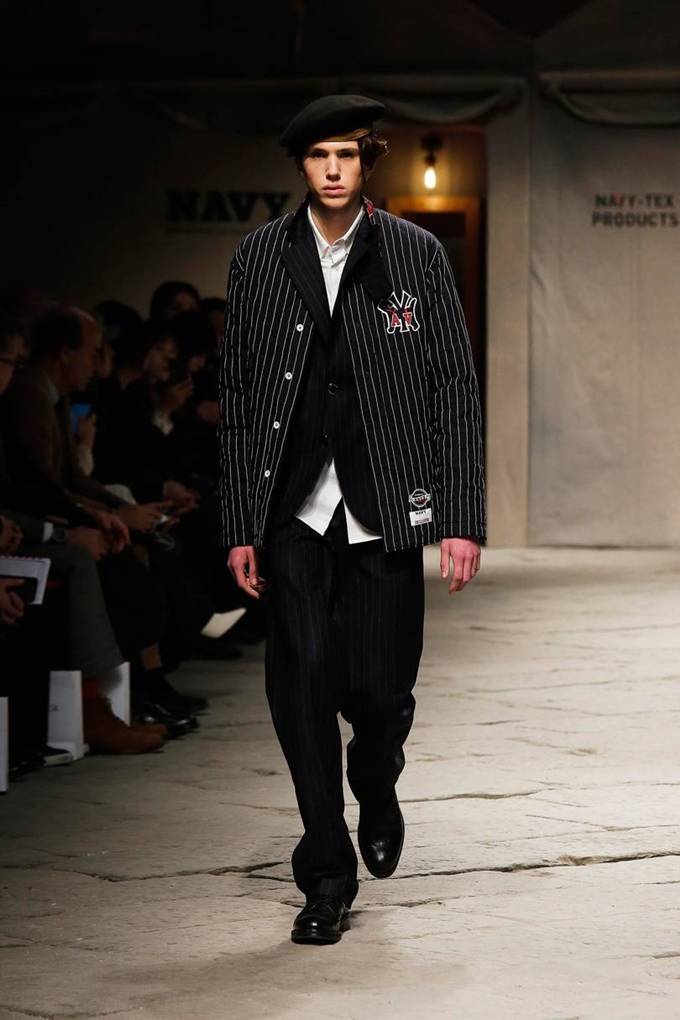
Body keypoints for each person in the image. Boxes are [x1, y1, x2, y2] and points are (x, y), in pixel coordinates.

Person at [217, 95, 486, 945]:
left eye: (346, 154)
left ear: (367, 160)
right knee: (299, 686)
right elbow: (237, 394)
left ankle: (376, 778)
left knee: (381, 687)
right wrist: (239, 521)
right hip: (292, 506)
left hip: (384, 503)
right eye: (318, 155)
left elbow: (453, 384)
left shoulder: (414, 254)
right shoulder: (260, 257)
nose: (333, 169)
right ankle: (326, 874)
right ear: (301, 165)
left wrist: (460, 514)